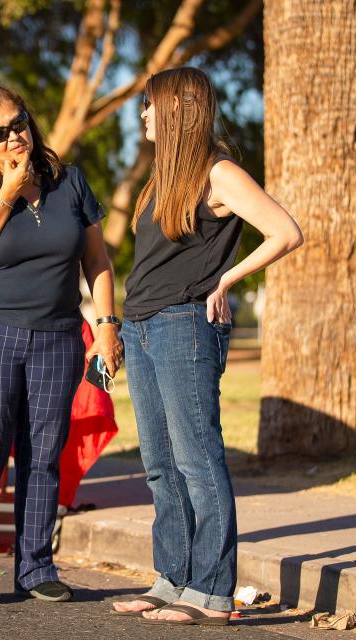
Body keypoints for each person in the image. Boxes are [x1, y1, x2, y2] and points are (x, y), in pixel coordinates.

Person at [111, 67, 303, 625]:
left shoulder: (218, 172)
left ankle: (214, 593)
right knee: (159, 465)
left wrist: (225, 281)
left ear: (177, 110)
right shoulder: (160, 180)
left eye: (150, 106)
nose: (143, 115)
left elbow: (285, 231)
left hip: (183, 325)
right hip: (142, 326)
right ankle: (171, 579)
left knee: (197, 459)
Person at [0, 85, 122, 605]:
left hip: (57, 337)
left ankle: (36, 566)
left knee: (43, 455)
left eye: (17, 123)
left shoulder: (71, 183)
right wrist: (8, 189)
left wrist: (106, 325)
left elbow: (98, 263)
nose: (12, 137)